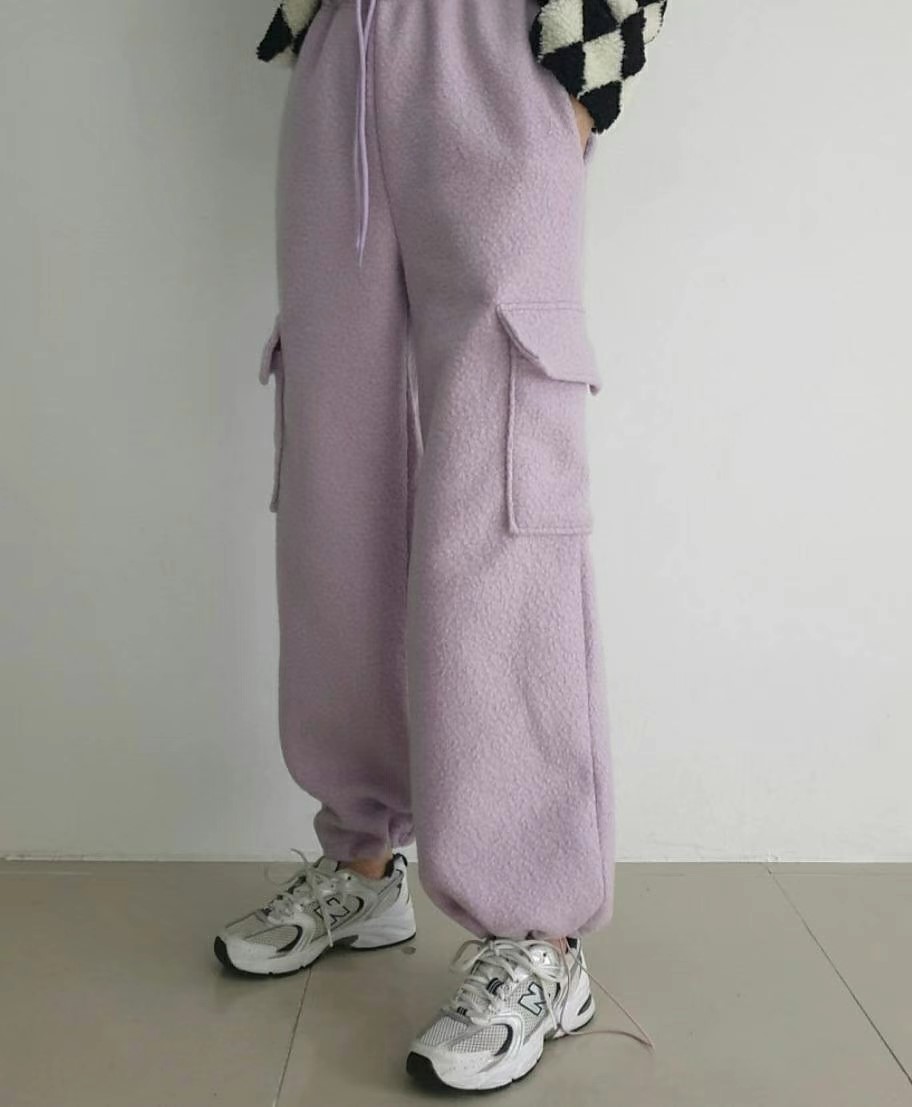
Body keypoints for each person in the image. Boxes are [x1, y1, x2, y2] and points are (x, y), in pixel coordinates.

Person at [214, 0, 668, 1091]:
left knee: (501, 480)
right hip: (347, 43)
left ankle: (542, 932)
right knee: (336, 477)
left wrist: (581, 78)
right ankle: (362, 857)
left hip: (501, 39)